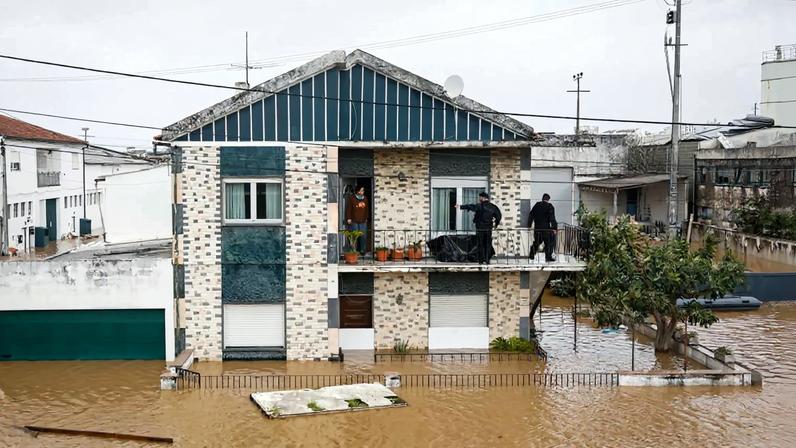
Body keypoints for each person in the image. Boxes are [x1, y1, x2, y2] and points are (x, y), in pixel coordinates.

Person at [457, 192, 502, 264]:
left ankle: (481, 261)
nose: (479, 199)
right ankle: (487, 260)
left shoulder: (479, 206)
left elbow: (470, 206)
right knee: (487, 244)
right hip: (488, 229)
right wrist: (495, 224)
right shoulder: (493, 207)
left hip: (480, 228)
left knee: (480, 244)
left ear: (483, 198)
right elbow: (499, 215)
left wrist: (461, 206)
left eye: (480, 197)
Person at [529, 193, 558, 262]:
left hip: (537, 229)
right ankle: (548, 258)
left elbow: (531, 215)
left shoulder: (537, 205)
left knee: (537, 242)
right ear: (548, 200)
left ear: (542, 198)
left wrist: (529, 225)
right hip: (546, 229)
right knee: (548, 243)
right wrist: (554, 228)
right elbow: (552, 218)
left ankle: (531, 255)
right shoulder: (550, 206)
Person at [345, 186, 369, 255]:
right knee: (354, 235)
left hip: (363, 220)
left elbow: (367, 209)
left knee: (363, 235)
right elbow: (348, 209)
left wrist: (366, 217)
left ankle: (362, 250)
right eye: (360, 190)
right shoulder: (352, 198)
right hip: (354, 220)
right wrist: (348, 218)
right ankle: (353, 250)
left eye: (363, 191)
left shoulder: (365, 198)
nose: (362, 192)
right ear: (357, 191)